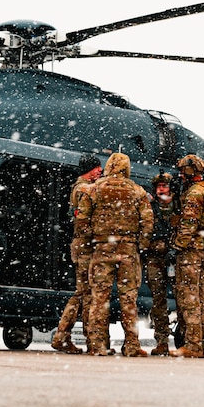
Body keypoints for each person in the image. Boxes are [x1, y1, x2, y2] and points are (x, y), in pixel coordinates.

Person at [76, 152, 153, 356]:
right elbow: (147, 222)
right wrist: (140, 246)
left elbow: (82, 220)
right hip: (128, 251)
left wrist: (92, 241)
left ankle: (97, 344)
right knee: (129, 299)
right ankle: (131, 345)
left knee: (99, 298)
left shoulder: (93, 190)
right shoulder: (137, 192)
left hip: (102, 250)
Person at [51, 153, 102, 354]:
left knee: (83, 293)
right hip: (85, 247)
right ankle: (67, 337)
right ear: (89, 169)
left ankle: (66, 337)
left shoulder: (80, 187)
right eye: (97, 168)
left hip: (82, 246)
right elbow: (82, 221)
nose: (100, 171)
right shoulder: (84, 189)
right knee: (84, 294)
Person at [170, 154, 204, 358]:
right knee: (200, 296)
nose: (180, 175)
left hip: (191, 251)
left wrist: (178, 245)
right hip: (203, 248)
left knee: (189, 296)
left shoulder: (194, 194)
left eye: (182, 171)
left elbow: (189, 223)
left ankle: (193, 345)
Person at [145, 172, 178, 356]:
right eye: (158, 187)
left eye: (164, 186)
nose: (161, 189)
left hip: (175, 258)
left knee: (182, 300)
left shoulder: (178, 207)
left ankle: (187, 338)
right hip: (155, 259)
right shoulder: (150, 207)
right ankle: (162, 341)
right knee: (158, 301)